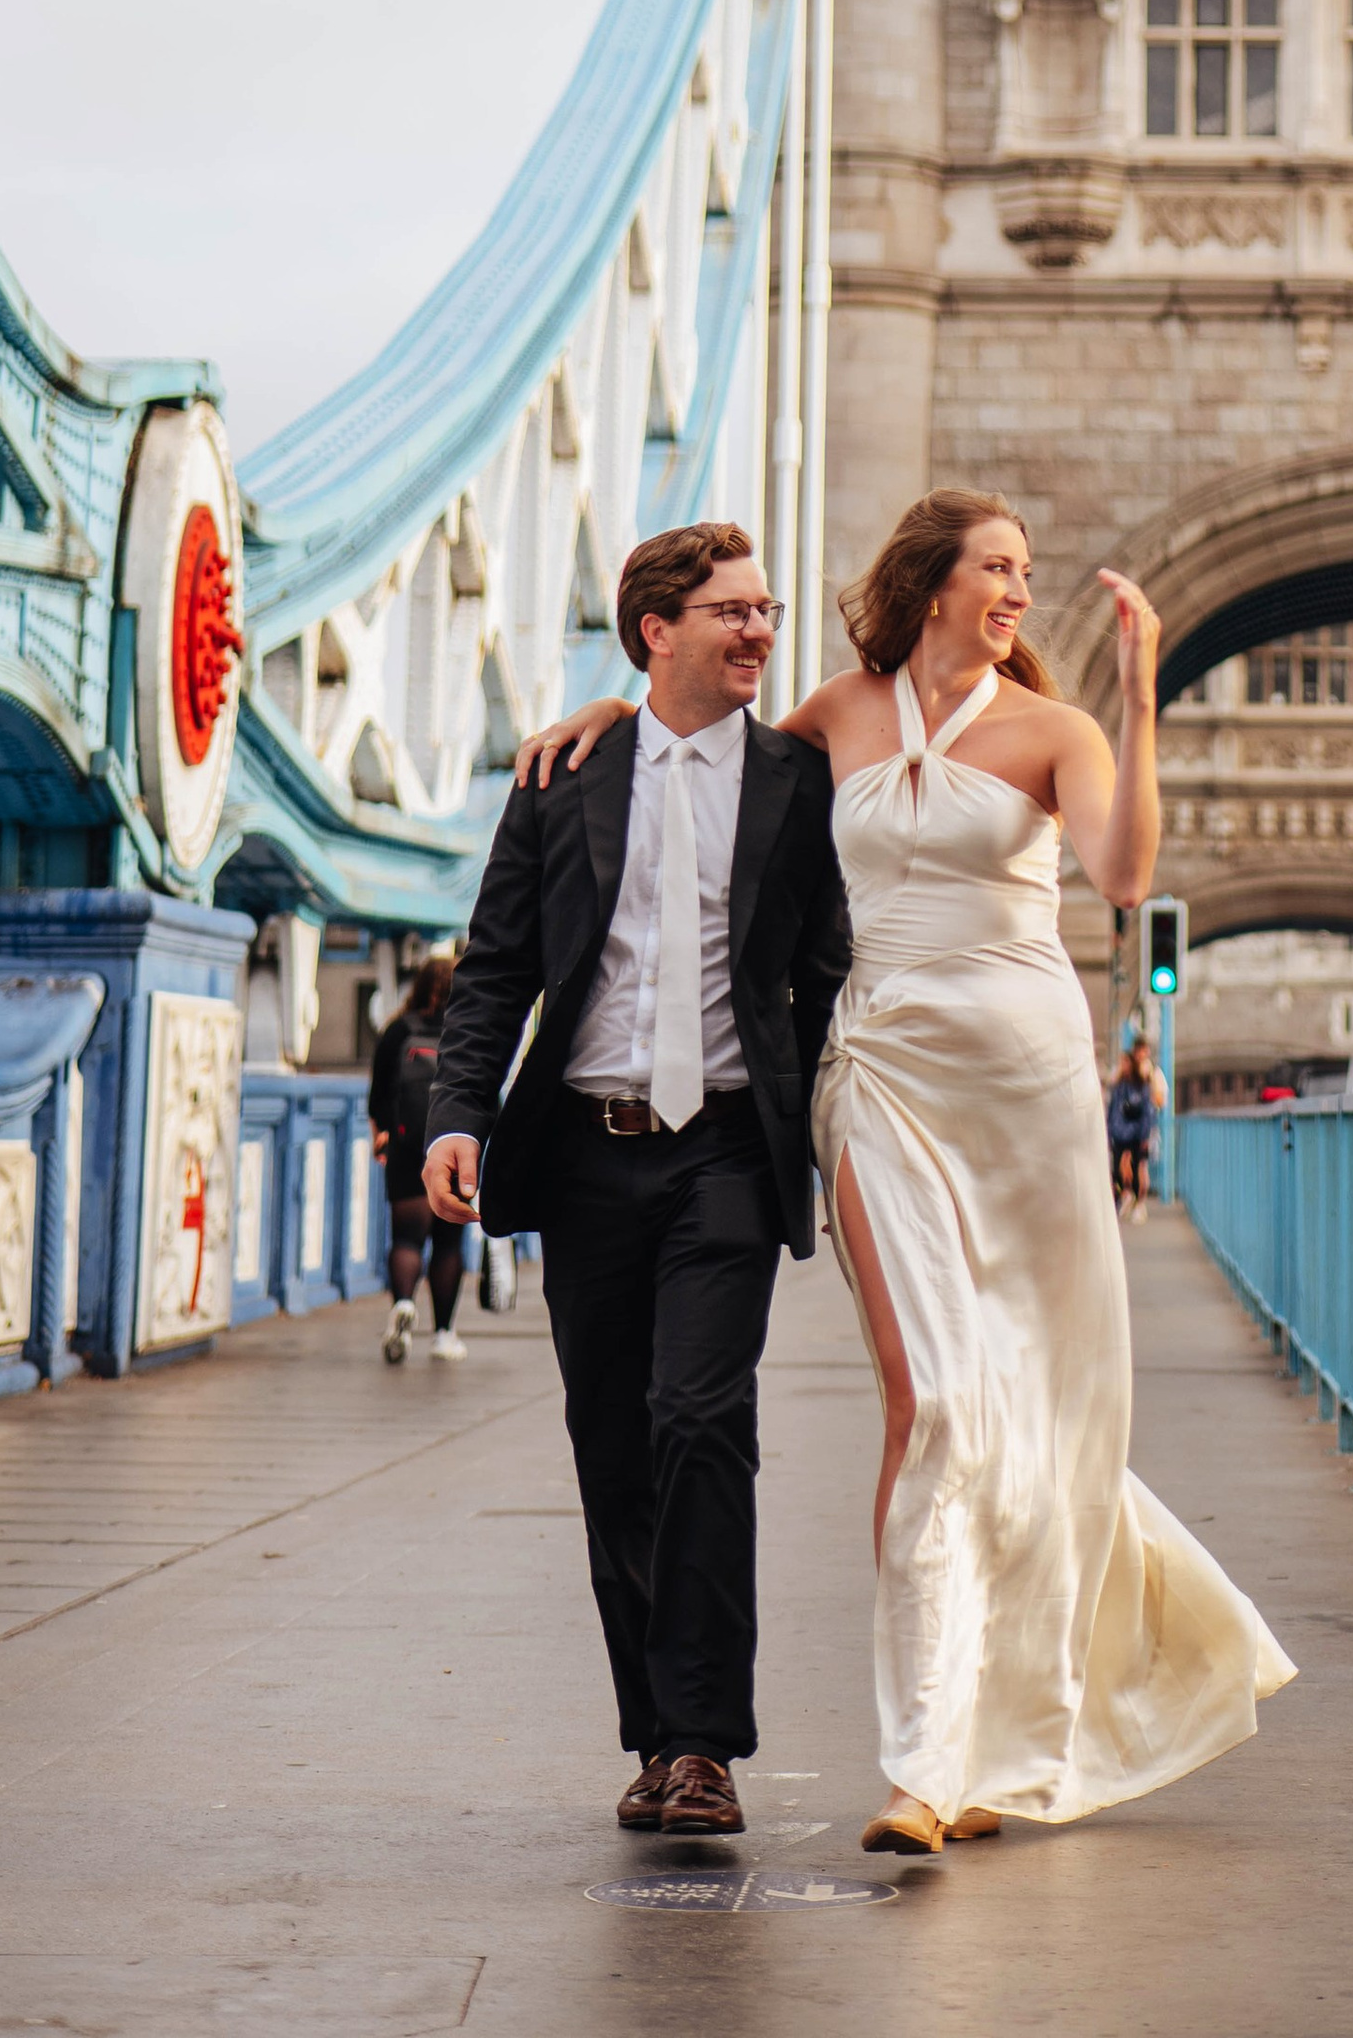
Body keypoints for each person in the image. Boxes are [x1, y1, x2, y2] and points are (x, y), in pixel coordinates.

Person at [519, 487, 1292, 1857]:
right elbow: (700, 754)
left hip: (1035, 1093)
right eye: (997, 567)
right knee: (934, 1399)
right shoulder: (840, 714)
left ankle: (1012, 1728)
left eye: (1027, 571)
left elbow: (1118, 875)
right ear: (931, 584)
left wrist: (1149, 695)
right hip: (881, 1078)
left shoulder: (1058, 729)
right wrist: (601, 721)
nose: (1018, 587)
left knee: (1047, 1414)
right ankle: (930, 1760)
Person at [423, 521, 850, 1844]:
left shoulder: (800, 778)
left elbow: (829, 957)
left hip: (725, 1144)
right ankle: (655, 1734)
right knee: (614, 1446)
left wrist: (797, 1083)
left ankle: (706, 1745)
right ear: (655, 630)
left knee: (700, 1417)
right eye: (731, 611)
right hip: (588, 1152)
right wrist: (457, 1120)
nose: (761, 632)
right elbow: (498, 969)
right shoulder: (565, 773)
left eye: (768, 610)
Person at [370, 958, 465, 1365]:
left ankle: (404, 1305)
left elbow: (377, 1093)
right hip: (455, 1145)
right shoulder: (465, 1029)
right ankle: (443, 1334)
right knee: (448, 1243)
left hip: (407, 1147)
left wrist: (382, 1138)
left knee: (407, 1238)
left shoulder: (399, 1029)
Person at [1106, 1036, 1161, 1219]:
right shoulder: (1120, 1084)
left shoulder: (1148, 1077)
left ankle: (1138, 1202)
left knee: (1139, 1166)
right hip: (1123, 1132)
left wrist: (1146, 1133)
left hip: (1138, 1131)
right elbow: (1113, 1107)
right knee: (1122, 1166)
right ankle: (1127, 1196)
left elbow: (1155, 1103)